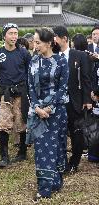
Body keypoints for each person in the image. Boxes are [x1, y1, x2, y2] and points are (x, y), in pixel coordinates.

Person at [26, 27, 69, 200]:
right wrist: (37, 108)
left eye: (38, 42)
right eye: (34, 42)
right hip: (39, 113)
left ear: (49, 43)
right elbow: (30, 88)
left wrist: (50, 107)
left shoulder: (61, 61)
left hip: (57, 112)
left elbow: (63, 87)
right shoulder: (33, 61)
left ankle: (56, 182)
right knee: (42, 151)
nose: (35, 46)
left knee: (57, 148)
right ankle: (44, 189)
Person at [0, 23, 31, 168]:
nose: (14, 36)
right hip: (5, 94)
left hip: (21, 93)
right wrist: (3, 88)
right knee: (3, 123)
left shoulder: (24, 53)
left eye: (16, 33)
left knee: (21, 122)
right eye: (11, 33)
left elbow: (28, 72)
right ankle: (4, 156)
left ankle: (22, 152)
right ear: (4, 35)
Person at [53, 25, 92, 173]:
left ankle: (74, 161)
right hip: (57, 102)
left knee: (77, 133)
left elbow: (86, 79)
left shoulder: (79, 55)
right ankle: (60, 161)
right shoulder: (52, 56)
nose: (53, 41)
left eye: (55, 37)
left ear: (64, 39)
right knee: (59, 133)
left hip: (75, 101)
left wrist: (87, 100)